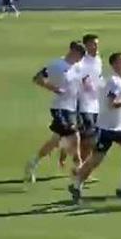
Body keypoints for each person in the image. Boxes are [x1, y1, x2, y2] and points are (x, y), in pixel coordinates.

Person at [69, 52, 121, 204]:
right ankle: (76, 184)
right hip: (107, 129)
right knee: (95, 161)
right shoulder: (114, 82)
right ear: (115, 65)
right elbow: (111, 104)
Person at [25, 41, 86, 184]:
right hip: (60, 108)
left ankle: (32, 163)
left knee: (55, 140)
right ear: (73, 51)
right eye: (80, 54)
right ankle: (79, 169)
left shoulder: (78, 67)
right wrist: (55, 89)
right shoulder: (56, 64)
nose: (81, 58)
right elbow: (38, 79)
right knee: (74, 136)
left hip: (72, 108)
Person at [75, 34, 103, 165]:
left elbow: (98, 78)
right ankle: (80, 167)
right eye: (93, 44)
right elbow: (84, 81)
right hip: (83, 104)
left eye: (97, 43)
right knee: (89, 139)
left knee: (91, 138)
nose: (96, 46)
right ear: (86, 46)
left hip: (95, 104)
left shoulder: (98, 59)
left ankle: (82, 167)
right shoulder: (82, 62)